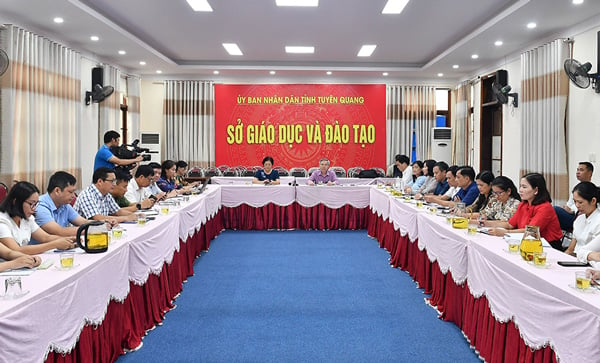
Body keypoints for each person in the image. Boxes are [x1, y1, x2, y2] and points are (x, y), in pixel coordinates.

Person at [485, 173, 563, 249]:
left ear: (536, 190)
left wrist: (505, 233)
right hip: (527, 242)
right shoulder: (523, 204)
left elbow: (531, 231)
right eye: (520, 186)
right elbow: (509, 225)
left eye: (524, 187)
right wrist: (483, 223)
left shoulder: (545, 208)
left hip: (547, 246)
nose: (520, 190)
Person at [0, 181, 75, 255]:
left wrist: (69, 240)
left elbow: (45, 237)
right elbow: (16, 250)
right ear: (15, 201)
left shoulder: (27, 218)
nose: (34, 208)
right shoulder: (2, 221)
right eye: (31, 204)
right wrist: (54, 244)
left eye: (36, 204)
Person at [31, 171, 90, 244]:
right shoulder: (40, 206)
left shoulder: (64, 205)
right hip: (41, 252)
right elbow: (59, 231)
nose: (74, 196)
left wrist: (101, 224)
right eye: (70, 192)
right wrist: (91, 229)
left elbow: (83, 222)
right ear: (57, 191)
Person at [554, 161, 594, 232]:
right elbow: (569, 204)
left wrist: (572, 210)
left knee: (554, 210)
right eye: (577, 170)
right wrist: (566, 208)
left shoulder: (592, 189)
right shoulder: (576, 188)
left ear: (590, 173)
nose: (578, 172)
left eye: (581, 170)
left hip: (580, 218)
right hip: (572, 215)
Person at [563, 182, 600, 257]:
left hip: (590, 262)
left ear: (593, 201)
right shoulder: (579, 219)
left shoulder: (598, 221)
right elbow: (570, 249)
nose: (577, 206)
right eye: (575, 201)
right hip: (575, 258)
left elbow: (594, 253)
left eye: (580, 202)